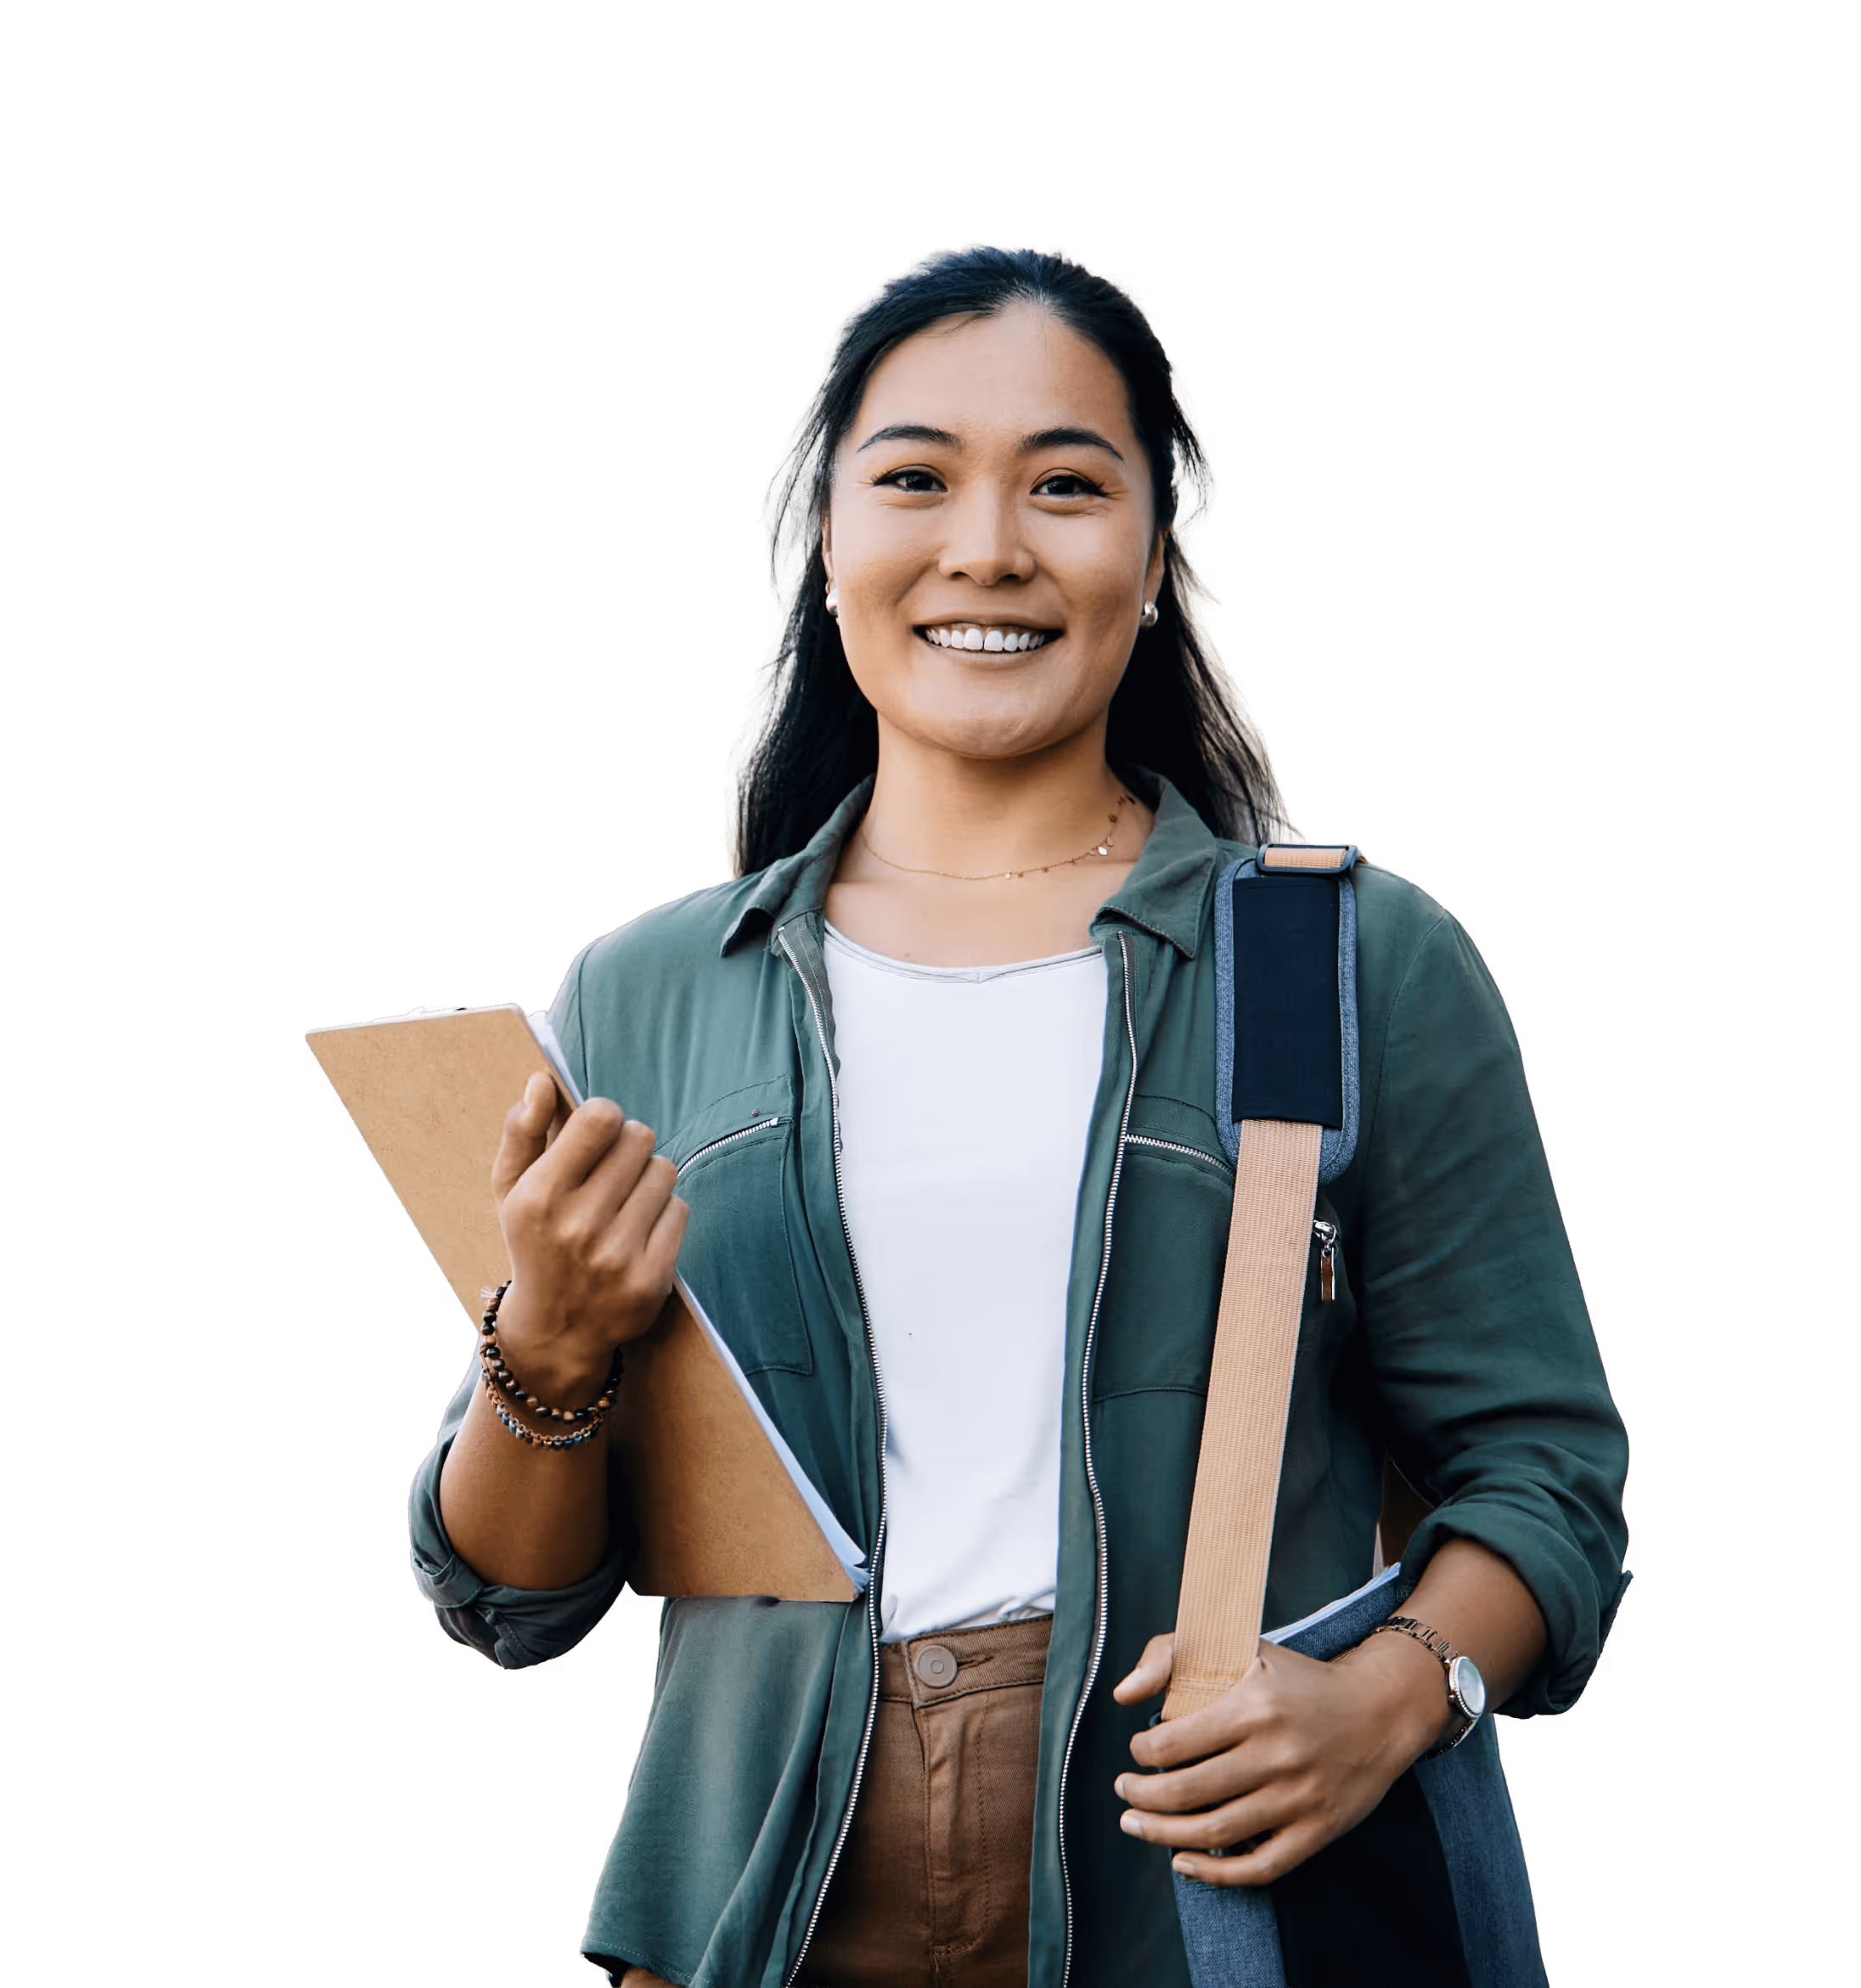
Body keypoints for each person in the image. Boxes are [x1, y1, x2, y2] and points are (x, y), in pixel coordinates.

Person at [408, 244, 1630, 1987]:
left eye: (1067, 485)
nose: (987, 546)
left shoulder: (1343, 961)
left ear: (1154, 554)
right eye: (913, 479)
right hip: (753, 1917)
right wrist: (553, 1338)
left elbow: (1550, 1476)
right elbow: (513, 1600)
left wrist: (1388, 1698)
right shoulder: (648, 993)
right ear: (821, 541)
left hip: (1201, 1912)